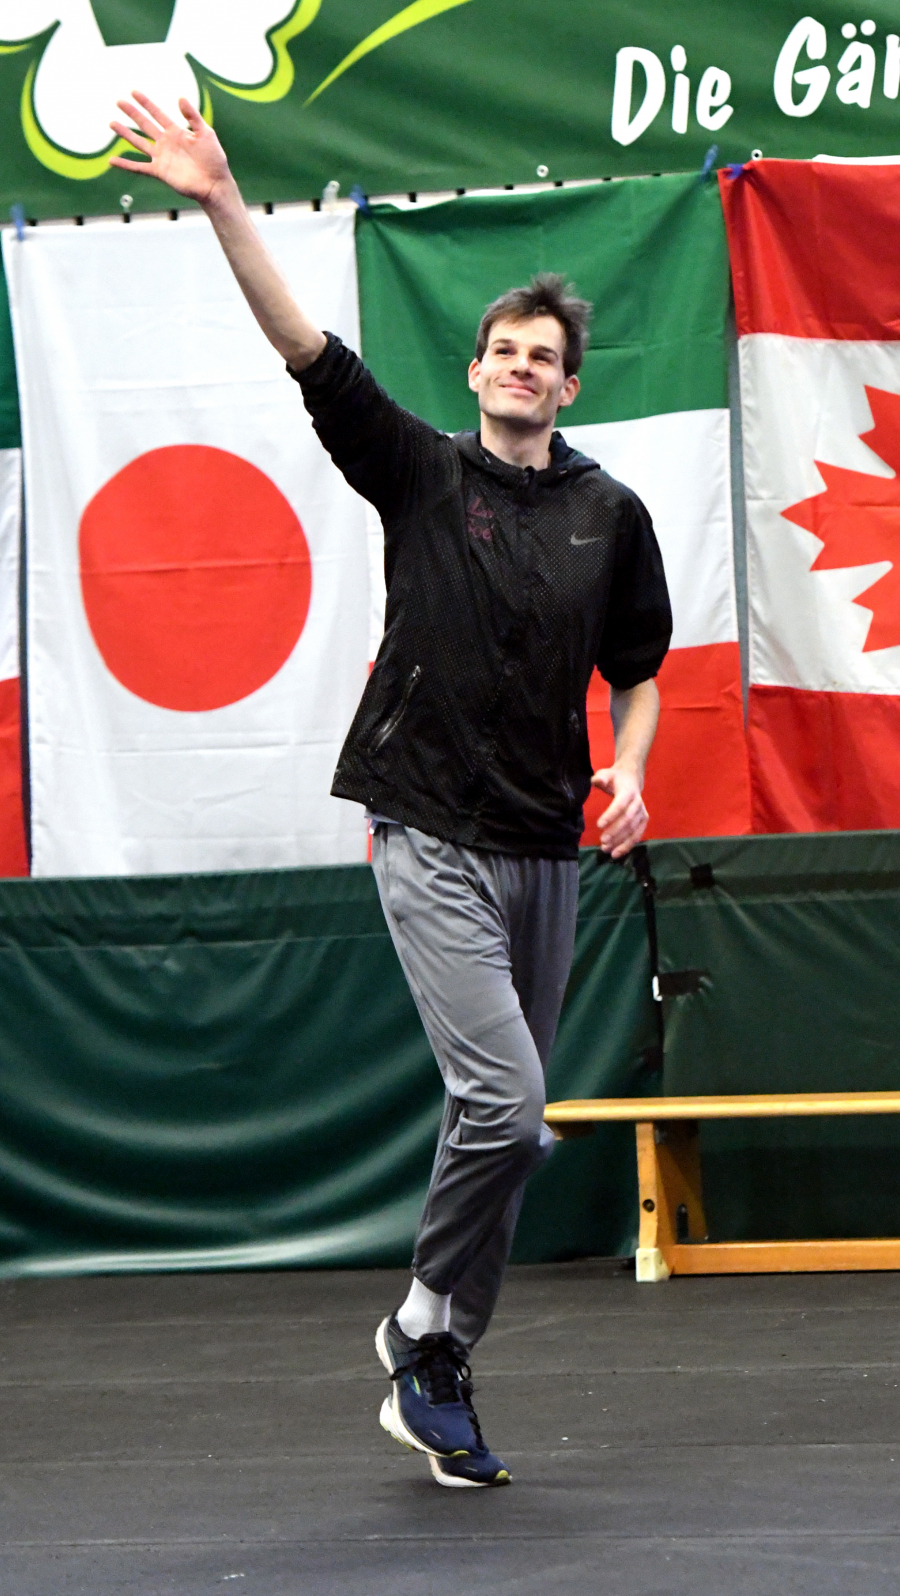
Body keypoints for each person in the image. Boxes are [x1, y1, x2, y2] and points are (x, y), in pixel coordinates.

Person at [110, 93, 672, 1490]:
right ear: (474, 369)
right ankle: (426, 1315)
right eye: (503, 351)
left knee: (503, 1122)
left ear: (569, 386)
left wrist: (636, 771)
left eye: (545, 359)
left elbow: (642, 670)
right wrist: (223, 197)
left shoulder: (612, 515)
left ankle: (439, 1361)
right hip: (426, 829)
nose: (521, 369)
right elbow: (303, 344)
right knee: (512, 1108)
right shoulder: (419, 475)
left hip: (547, 844)